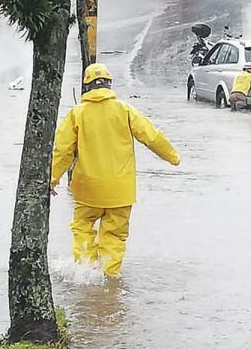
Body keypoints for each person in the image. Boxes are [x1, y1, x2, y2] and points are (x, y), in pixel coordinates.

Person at [50, 63, 180, 277]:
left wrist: (51, 180)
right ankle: (109, 279)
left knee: (82, 228)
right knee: (114, 236)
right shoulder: (124, 110)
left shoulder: (76, 114)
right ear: (109, 85)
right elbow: (152, 136)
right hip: (121, 191)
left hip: (87, 190)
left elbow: (62, 151)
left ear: (86, 86)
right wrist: (173, 157)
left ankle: (85, 272)